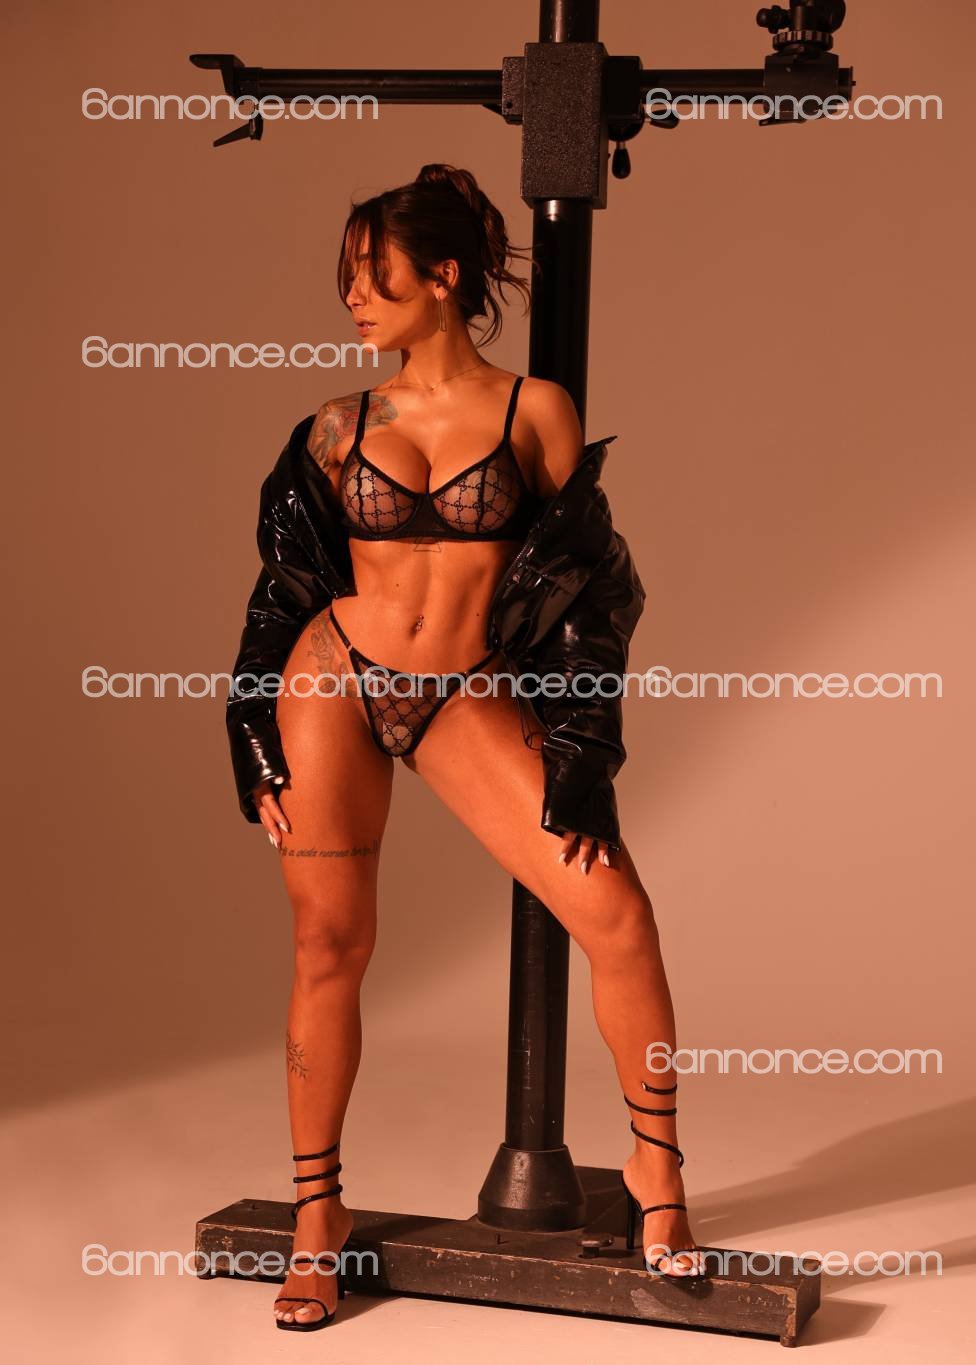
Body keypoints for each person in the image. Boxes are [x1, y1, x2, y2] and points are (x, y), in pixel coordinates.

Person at [225, 163, 703, 1333]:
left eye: (372, 274)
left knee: (617, 915)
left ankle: (656, 1171)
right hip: (334, 679)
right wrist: (249, 728)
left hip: (460, 690)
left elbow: (592, 590)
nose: (352, 297)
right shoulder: (335, 427)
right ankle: (317, 1217)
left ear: (443, 276)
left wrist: (581, 748)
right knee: (328, 945)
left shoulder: (533, 411)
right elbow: (283, 590)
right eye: (346, 278)